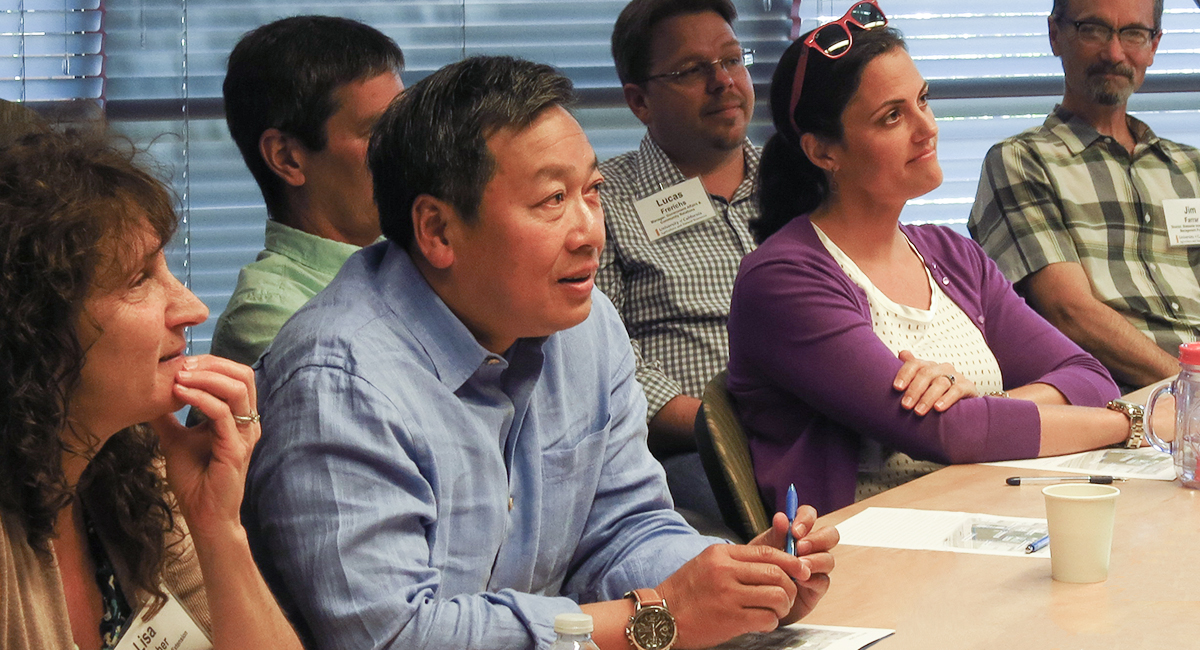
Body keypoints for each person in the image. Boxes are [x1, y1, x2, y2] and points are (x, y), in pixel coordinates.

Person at [243, 56, 837, 650]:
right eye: (553, 200)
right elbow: (395, 636)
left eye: (593, 191)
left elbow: (623, 530)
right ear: (438, 231)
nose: (590, 233)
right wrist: (660, 615)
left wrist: (733, 582)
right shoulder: (340, 382)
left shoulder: (585, 324)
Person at [726, 5, 1138, 518]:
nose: (927, 128)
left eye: (923, 100)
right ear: (823, 151)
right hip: (866, 561)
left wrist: (995, 409)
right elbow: (949, 433)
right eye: (892, 116)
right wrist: (1132, 424)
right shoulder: (783, 279)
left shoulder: (950, 253)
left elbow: (1088, 375)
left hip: (994, 520)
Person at [0, 127, 301, 649]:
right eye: (139, 280)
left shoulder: (128, 472)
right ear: (35, 326)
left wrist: (217, 527)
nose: (192, 308)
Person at [968, 0, 1200, 390]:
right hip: (1122, 404)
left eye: (1133, 33)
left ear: (1154, 45)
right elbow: (1068, 312)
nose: (1114, 53)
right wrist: (1190, 387)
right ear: (1055, 35)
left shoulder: (1190, 168)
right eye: (1092, 29)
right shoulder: (1021, 161)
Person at [598, 0, 759, 493]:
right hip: (690, 453)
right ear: (639, 101)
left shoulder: (804, 183)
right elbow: (599, 359)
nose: (724, 82)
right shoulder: (599, 201)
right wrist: (725, 427)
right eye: (692, 70)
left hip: (829, 428)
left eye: (732, 60)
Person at [213, 15, 404, 366]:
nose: (405, 148)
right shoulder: (269, 312)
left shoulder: (403, 260)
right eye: (378, 132)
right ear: (288, 158)